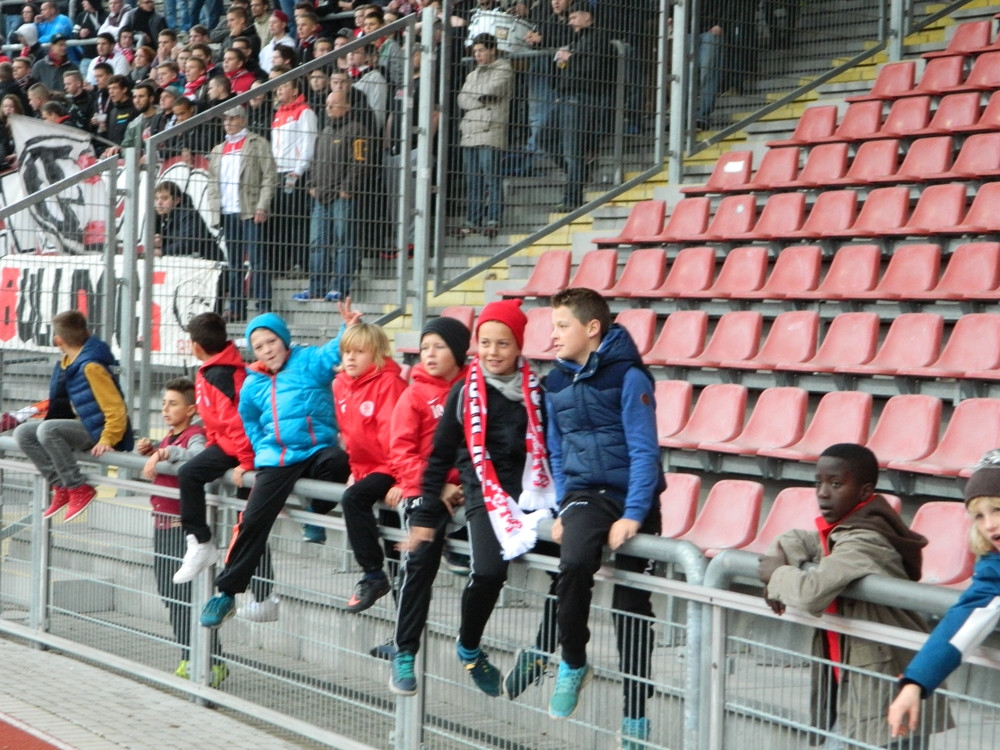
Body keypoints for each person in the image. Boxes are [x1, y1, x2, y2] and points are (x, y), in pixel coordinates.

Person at [396, 300, 558, 697]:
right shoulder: (463, 394)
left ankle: (541, 652)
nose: (493, 353)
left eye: (503, 344)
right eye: (485, 343)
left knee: (570, 567)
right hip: (483, 493)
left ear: (518, 346)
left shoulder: (538, 391)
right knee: (488, 572)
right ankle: (469, 648)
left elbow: (553, 451)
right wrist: (422, 518)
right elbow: (437, 458)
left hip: (530, 494)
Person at [758, 443, 949, 749]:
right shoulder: (845, 531)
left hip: (887, 686)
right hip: (855, 683)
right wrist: (779, 559)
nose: (822, 493)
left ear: (864, 492)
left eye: (835, 484)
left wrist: (775, 575)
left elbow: (810, 593)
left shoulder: (865, 540)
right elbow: (796, 539)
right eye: (818, 483)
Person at [540, 288, 661, 747]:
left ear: (592, 329)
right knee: (571, 564)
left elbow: (645, 450)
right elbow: (555, 448)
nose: (553, 336)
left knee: (632, 612)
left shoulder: (629, 377)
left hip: (633, 496)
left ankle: (635, 719)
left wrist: (634, 513)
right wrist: (561, 505)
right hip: (585, 495)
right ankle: (574, 661)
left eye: (561, 326)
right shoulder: (553, 383)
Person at [199, 306, 360, 629]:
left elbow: (334, 352)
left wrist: (348, 327)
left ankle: (316, 511)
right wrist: (262, 449)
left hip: (315, 449)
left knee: (338, 462)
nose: (267, 350)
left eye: (271, 341)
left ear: (284, 341)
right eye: (259, 346)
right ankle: (227, 593)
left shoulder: (308, 361)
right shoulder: (252, 382)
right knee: (253, 521)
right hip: (278, 458)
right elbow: (250, 420)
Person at [171, 312, 278, 622]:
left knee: (248, 523)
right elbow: (220, 424)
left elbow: (241, 423)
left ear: (195, 346)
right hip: (230, 448)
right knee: (246, 523)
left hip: (244, 451)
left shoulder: (221, 375)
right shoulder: (213, 370)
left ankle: (203, 544)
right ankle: (204, 545)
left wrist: (245, 463)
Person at [887, 452, 1000, 741]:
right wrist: (915, 683)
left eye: (998, 509)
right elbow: (961, 622)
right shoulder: (994, 567)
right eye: (979, 516)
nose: (989, 525)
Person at [387, 316, 471, 690]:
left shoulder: (474, 389)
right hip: (423, 490)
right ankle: (404, 651)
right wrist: (437, 488)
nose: (430, 354)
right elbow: (400, 454)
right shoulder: (413, 394)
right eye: (424, 348)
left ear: (458, 350)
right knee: (419, 560)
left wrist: (464, 484)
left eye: (438, 346)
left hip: (466, 488)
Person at [133, 377, 228, 687]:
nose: (165, 409)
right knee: (170, 596)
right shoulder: (171, 437)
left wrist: (164, 453)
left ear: (191, 409)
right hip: (160, 525)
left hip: (179, 529)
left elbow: (197, 458)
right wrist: (151, 450)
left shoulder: (194, 434)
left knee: (184, 597)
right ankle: (189, 654)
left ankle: (210, 661)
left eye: (173, 403)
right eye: (163, 403)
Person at [13, 310, 133, 522]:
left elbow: (116, 408)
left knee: (48, 429)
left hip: (98, 431)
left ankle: (78, 488)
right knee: (23, 433)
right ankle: (60, 485)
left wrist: (107, 438)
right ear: (87, 332)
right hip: (82, 424)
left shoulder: (91, 366)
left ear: (57, 340)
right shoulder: (68, 361)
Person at [331, 323, 407, 610]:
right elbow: (350, 434)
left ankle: (373, 574)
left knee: (353, 499)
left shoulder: (389, 384)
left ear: (376, 354)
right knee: (394, 551)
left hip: (392, 468)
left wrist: (402, 480)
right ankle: (402, 636)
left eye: (359, 352)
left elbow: (397, 436)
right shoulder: (340, 384)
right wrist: (356, 470)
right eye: (346, 351)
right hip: (369, 469)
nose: (350, 358)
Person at [295, 91, 368, 302]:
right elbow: (315, 162)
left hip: (342, 197)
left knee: (344, 242)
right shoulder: (324, 132)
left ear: (347, 107)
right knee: (318, 243)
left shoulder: (357, 130)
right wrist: (311, 185)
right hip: (320, 197)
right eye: (327, 105)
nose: (328, 108)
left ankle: (340, 287)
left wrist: (347, 187)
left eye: (333, 104)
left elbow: (360, 162)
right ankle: (316, 288)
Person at [206, 104, 277, 321]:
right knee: (234, 263)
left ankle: (263, 306)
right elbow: (212, 182)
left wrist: (262, 205)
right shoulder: (218, 149)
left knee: (257, 261)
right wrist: (215, 209)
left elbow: (270, 176)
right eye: (225, 119)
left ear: (243, 120)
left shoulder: (257, 143)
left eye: (233, 118)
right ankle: (237, 308)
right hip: (228, 212)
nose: (228, 122)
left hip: (250, 209)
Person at [551, 2, 613, 212]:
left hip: (581, 98)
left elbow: (592, 69)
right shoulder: (576, 40)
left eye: (574, 17)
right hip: (565, 97)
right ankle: (579, 174)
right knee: (544, 138)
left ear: (588, 17)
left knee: (573, 151)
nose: (570, 21)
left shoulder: (599, 38)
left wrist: (571, 58)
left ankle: (572, 199)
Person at [455, 33, 511, 239]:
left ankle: (493, 219)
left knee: (491, 179)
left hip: (491, 131)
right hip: (469, 133)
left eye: (481, 50)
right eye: (475, 51)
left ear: (492, 50)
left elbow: (493, 90)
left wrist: (474, 96)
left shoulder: (504, 68)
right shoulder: (472, 74)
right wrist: (479, 98)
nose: (477, 55)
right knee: (473, 181)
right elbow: (462, 99)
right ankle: (472, 220)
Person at [153, 180, 220, 261]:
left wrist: (162, 251)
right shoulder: (160, 217)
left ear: (177, 200)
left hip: (210, 264)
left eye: (164, 198)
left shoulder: (189, 215)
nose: (159, 203)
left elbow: (189, 243)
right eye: (156, 199)